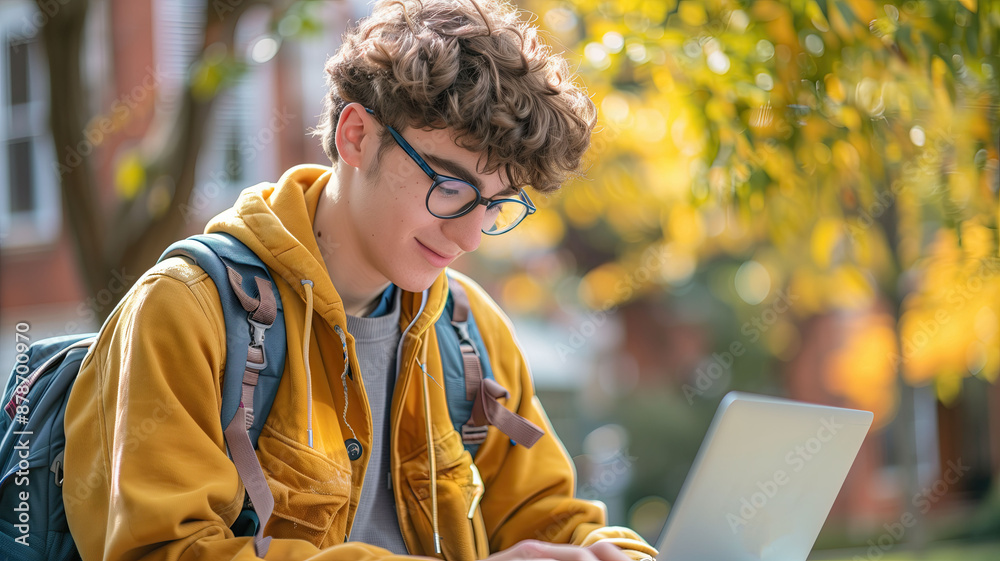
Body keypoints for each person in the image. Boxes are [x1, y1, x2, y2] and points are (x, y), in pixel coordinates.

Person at [63, 1, 660, 560]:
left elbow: (547, 514)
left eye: (497, 207)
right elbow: (165, 549)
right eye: (450, 188)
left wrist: (608, 550)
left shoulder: (472, 331)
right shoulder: (185, 311)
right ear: (355, 136)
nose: (470, 238)